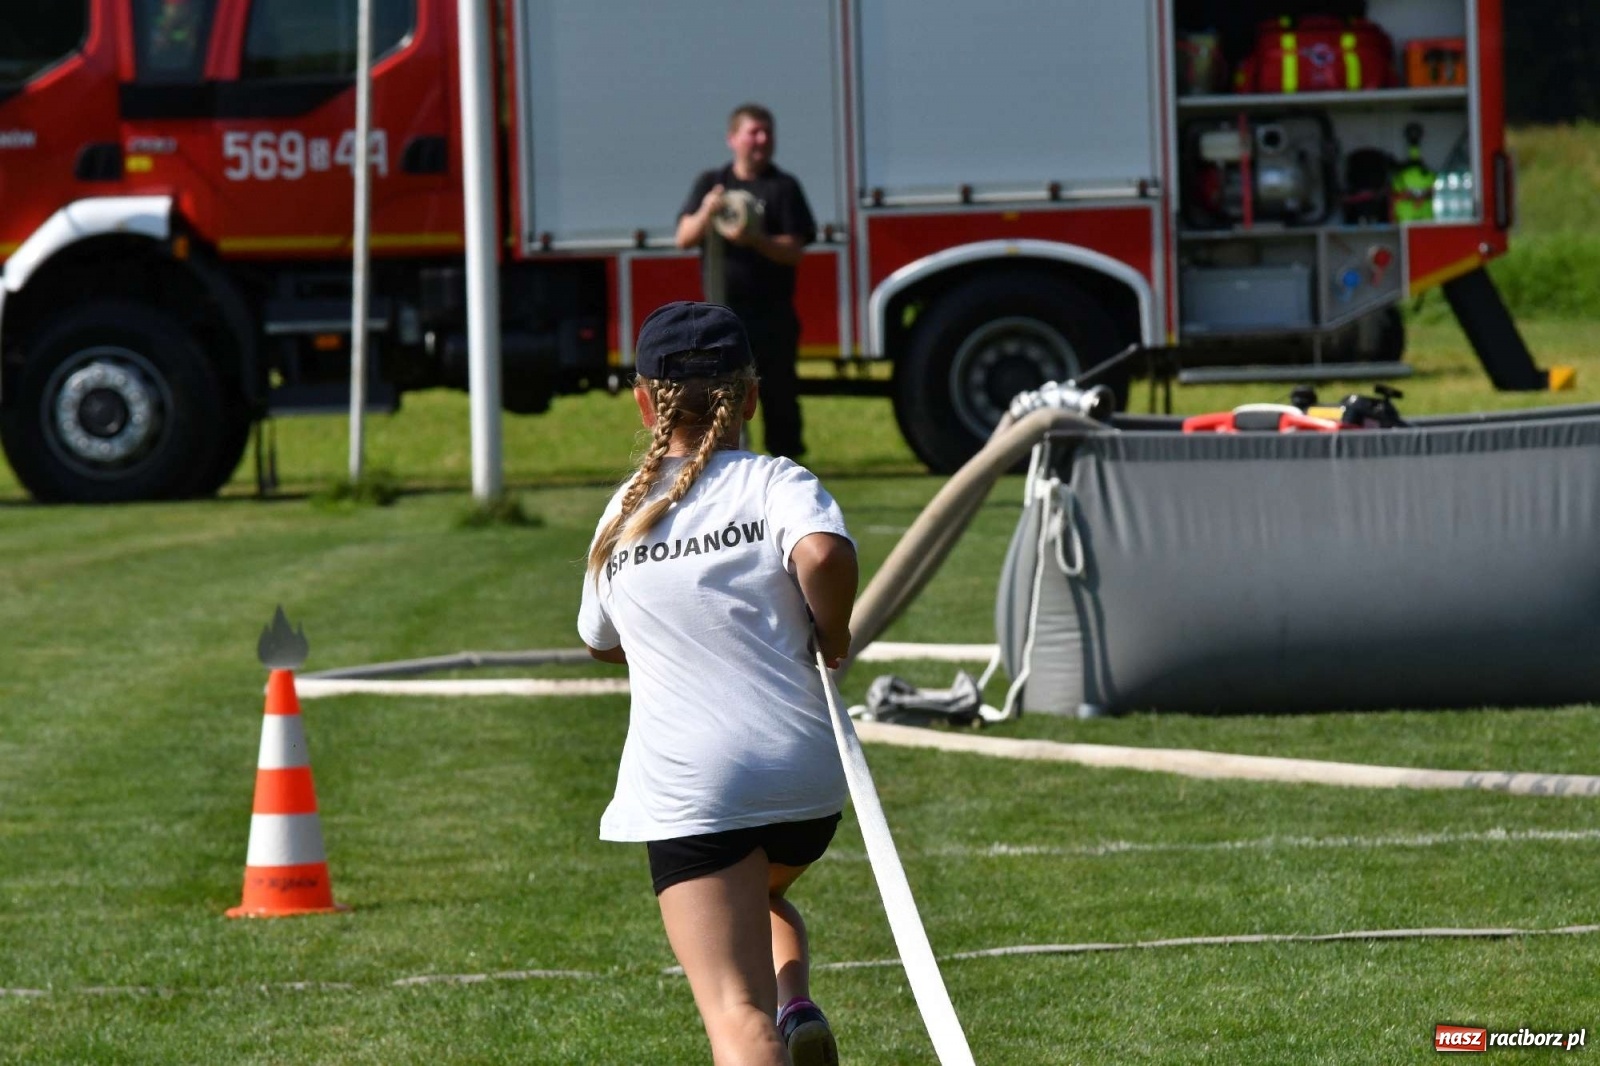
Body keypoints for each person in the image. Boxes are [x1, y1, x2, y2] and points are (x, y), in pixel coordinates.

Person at [578, 301, 858, 1065]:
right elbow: (825, 558)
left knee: (736, 1016)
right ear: (753, 397)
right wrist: (833, 636)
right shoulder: (773, 481)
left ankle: (777, 1016)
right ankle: (797, 1001)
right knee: (759, 896)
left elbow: (600, 641)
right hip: (803, 783)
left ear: (643, 400)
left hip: (694, 789)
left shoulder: (624, 513)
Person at [676, 103, 817, 461]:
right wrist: (708, 210)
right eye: (754, 131)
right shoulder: (713, 184)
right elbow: (684, 237)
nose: (763, 139)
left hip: (773, 315)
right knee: (726, 395)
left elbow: (794, 250)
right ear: (733, 138)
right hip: (724, 318)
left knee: (779, 395)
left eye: (768, 132)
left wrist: (755, 239)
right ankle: (730, 464)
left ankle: (788, 466)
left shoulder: (783, 187)